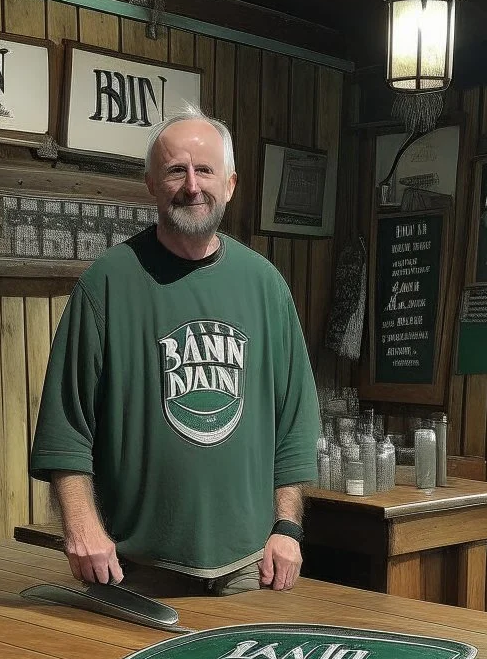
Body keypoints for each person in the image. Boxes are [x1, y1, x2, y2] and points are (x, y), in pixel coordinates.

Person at [30, 107, 320, 597]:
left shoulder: (264, 285)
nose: (192, 186)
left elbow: (294, 423)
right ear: (150, 183)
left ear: (230, 183)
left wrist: (287, 529)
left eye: (204, 170)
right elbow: (65, 430)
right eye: (176, 170)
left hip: (251, 570)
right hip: (135, 569)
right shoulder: (108, 284)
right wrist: (81, 528)